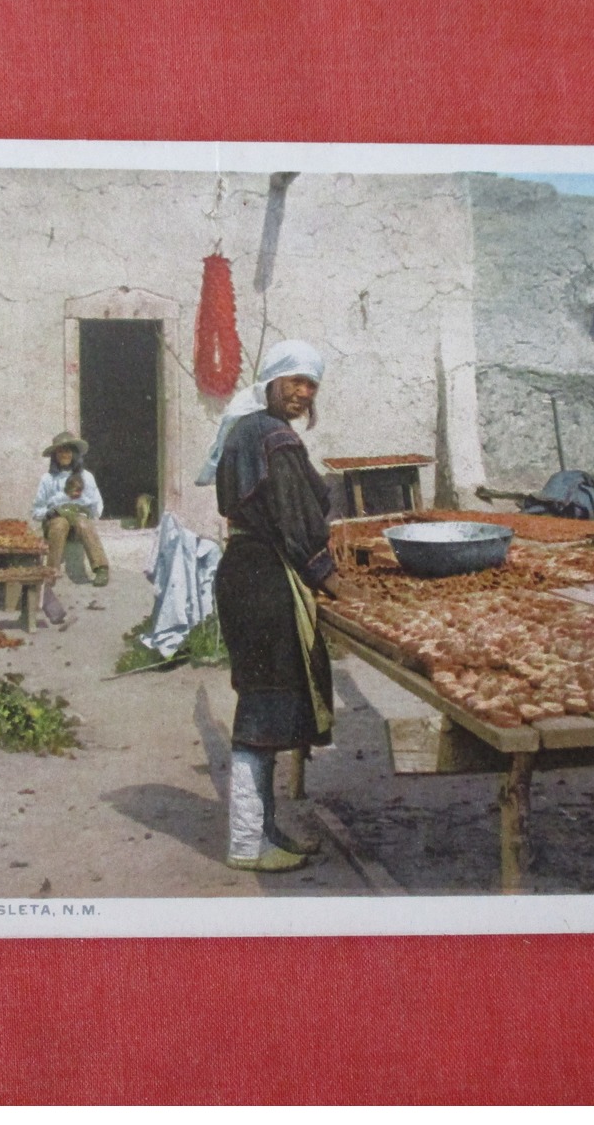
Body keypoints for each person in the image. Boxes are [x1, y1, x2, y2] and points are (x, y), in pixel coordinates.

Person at [207, 340, 360, 873]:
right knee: (262, 710)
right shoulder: (272, 437)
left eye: (311, 383)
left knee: (264, 704)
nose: (303, 392)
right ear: (270, 382)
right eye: (294, 381)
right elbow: (297, 523)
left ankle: (264, 830)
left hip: (247, 572)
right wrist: (336, 583)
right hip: (264, 581)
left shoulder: (250, 431)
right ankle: (248, 843)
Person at [32, 432, 110, 588]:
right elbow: (37, 510)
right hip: (55, 523)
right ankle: (51, 571)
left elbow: (96, 504)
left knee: (83, 523)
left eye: (68, 451)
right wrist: (48, 513)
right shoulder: (48, 479)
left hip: (78, 521)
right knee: (60, 524)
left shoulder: (86, 477)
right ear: (55, 455)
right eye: (60, 451)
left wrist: (86, 512)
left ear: (75, 454)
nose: (64, 455)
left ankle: (101, 568)